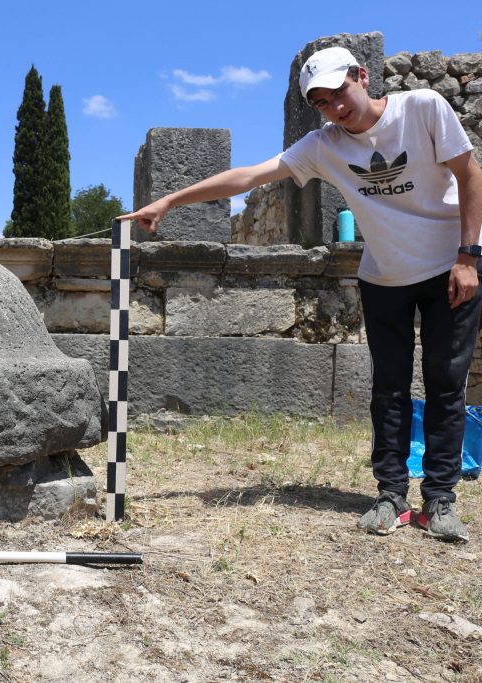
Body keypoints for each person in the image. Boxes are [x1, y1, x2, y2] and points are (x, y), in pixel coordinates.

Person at [119, 46, 482, 542]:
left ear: (362, 76)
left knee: (445, 383)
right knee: (389, 390)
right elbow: (248, 176)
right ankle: (391, 496)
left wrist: (468, 257)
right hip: (385, 277)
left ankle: (440, 500)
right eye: (322, 102)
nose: (336, 107)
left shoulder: (422, 108)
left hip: (448, 270)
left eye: (340, 92)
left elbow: (469, 174)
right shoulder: (323, 145)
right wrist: (169, 201)